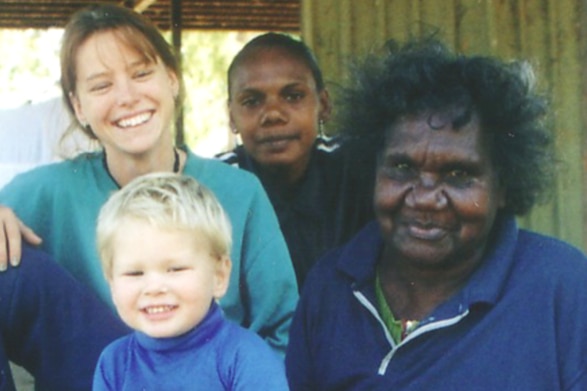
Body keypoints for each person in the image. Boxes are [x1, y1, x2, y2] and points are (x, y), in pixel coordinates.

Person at [285, 38, 587, 390]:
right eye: (401, 167)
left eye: (458, 174)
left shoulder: (562, 285)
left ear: (503, 185)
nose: (425, 198)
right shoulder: (331, 286)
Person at [0, 3, 297, 360]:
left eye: (141, 74)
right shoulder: (49, 192)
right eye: (102, 85)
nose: (126, 97)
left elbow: (282, 330)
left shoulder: (239, 191)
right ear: (78, 107)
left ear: (172, 79)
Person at [92, 173, 288, 390]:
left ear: (219, 276)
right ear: (111, 281)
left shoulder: (244, 357)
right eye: (135, 273)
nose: (154, 288)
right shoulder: (114, 364)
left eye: (175, 269)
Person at [217, 32, 375, 287]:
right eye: (251, 101)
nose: (273, 114)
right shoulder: (214, 185)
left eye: (293, 96)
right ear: (232, 116)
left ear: (323, 104)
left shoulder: (357, 169)